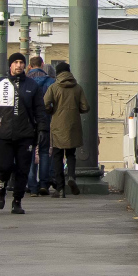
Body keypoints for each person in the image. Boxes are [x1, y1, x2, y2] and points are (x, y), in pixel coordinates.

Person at [0, 52, 47, 214]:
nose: (19, 65)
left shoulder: (32, 86)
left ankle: (17, 201)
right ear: (10, 65)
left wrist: (42, 129)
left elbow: (40, 110)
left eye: (21, 62)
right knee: (4, 167)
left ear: (25, 65)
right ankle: (0, 189)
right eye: (16, 62)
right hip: (3, 135)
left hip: (25, 135)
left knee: (23, 169)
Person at [43, 61, 89, 197]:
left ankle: (60, 188)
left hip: (57, 125)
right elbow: (85, 107)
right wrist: (77, 110)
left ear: (57, 73)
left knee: (57, 156)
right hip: (73, 124)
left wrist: (52, 110)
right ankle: (71, 177)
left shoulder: (53, 87)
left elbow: (45, 103)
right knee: (71, 154)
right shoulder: (77, 88)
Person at [26, 56, 56, 197]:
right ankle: (44, 184)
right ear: (42, 65)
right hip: (46, 121)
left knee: (30, 153)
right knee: (44, 152)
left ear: (30, 66)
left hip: (29, 122)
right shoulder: (51, 82)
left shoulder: (26, 82)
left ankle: (32, 187)